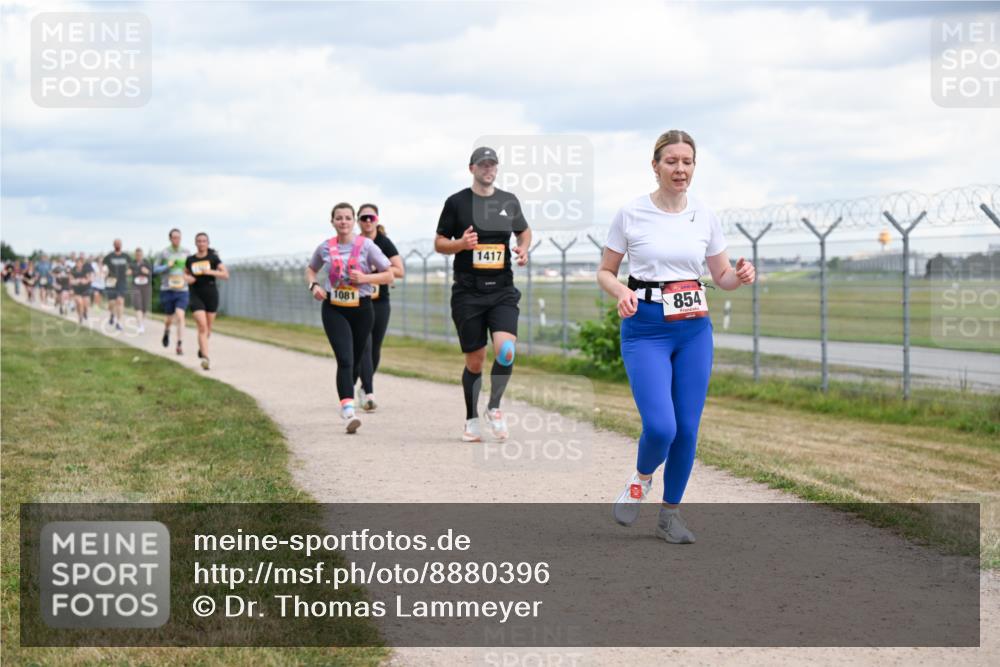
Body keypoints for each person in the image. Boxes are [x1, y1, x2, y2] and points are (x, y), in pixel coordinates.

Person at [599, 130, 755, 543]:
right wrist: (621, 292)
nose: (680, 169)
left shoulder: (704, 215)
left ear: (694, 166)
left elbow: (721, 275)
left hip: (693, 330)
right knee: (661, 427)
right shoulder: (631, 213)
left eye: (687, 162)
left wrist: (739, 276)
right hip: (645, 328)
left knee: (686, 428)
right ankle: (641, 480)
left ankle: (670, 516)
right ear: (655, 166)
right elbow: (605, 271)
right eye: (671, 161)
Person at [434, 146, 531, 442]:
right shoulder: (456, 202)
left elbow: (524, 231)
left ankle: (494, 407)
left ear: (496, 168)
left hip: (502, 290)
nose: (488, 169)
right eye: (483, 164)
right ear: (472, 169)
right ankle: (471, 418)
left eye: (492, 164)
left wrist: (523, 248)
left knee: (506, 350)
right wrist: (461, 244)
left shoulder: (508, 200)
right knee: (475, 361)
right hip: (468, 292)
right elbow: (439, 242)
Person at [306, 203, 394, 433]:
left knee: (355, 360)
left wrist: (365, 278)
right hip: (334, 308)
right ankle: (348, 410)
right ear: (332, 222)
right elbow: (311, 269)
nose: (343, 222)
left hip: (362, 308)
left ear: (353, 221)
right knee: (344, 359)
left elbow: (389, 274)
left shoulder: (367, 246)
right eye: (339, 218)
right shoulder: (325, 247)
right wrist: (314, 285)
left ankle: (350, 398)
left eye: (347, 218)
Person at [356, 203, 404, 411]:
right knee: (364, 346)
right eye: (364, 218)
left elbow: (399, 271)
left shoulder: (384, 242)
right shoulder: (354, 242)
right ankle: (369, 392)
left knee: (374, 347)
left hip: (380, 301)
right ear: (358, 221)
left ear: (377, 220)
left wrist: (375, 270)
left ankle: (361, 387)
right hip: (359, 301)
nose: (368, 221)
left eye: (371, 218)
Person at [184, 232, 229, 370]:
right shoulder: (190, 259)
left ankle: (202, 348)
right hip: (195, 294)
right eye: (199, 241)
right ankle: (205, 358)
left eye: (204, 241)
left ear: (208, 243)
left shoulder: (213, 258)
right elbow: (185, 273)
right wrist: (187, 278)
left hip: (211, 295)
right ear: (195, 243)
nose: (201, 243)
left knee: (208, 329)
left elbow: (225, 275)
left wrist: (210, 272)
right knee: (202, 326)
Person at [154, 229, 190, 355]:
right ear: (170, 238)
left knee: (180, 315)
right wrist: (167, 266)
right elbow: (155, 270)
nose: (177, 240)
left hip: (182, 289)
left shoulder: (186, 252)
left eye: (179, 237)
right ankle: (166, 331)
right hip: (167, 289)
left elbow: (191, 268)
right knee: (169, 318)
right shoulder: (164, 253)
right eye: (174, 237)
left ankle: (179, 344)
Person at [103, 239, 132, 332]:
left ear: (121, 245)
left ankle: (119, 322)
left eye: (119, 243)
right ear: (113, 245)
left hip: (122, 281)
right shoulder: (109, 256)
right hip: (111, 280)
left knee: (120, 301)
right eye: (116, 244)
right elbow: (103, 266)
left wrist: (129, 271)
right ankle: (112, 314)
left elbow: (131, 267)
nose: (118, 245)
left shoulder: (126, 256)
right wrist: (104, 272)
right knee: (111, 302)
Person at [131, 247, 153, 333]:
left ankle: (141, 323)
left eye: (140, 255)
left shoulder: (147, 263)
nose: (138, 256)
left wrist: (147, 272)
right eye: (137, 255)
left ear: (142, 255)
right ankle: (140, 325)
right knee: (138, 306)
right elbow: (127, 271)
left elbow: (152, 273)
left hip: (146, 287)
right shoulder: (132, 264)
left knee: (144, 307)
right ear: (135, 255)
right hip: (136, 286)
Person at [70, 257, 93, 324]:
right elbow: (70, 280)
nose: (78, 264)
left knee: (85, 305)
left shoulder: (86, 270)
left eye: (80, 263)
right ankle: (80, 317)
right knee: (79, 303)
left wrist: (85, 281)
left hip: (85, 289)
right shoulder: (73, 270)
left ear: (82, 263)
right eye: (77, 263)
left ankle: (85, 312)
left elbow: (90, 279)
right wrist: (76, 281)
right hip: (77, 289)